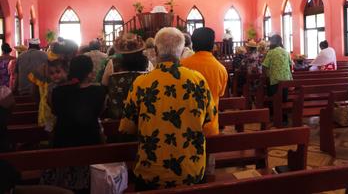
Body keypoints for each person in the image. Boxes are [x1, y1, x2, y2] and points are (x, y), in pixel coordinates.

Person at [119, 27, 216, 190]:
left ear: (156, 50)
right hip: (190, 171)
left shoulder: (141, 83)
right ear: (182, 50)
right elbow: (210, 125)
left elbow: (127, 128)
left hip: (150, 172)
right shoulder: (198, 80)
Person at [43, 55, 106, 191]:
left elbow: (54, 111)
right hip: (90, 141)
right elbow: (100, 112)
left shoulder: (57, 92)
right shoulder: (100, 91)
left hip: (64, 142)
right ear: (90, 72)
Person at [181, 27, 228, 135]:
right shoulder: (221, 69)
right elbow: (220, 94)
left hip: (186, 128)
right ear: (213, 45)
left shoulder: (182, 64)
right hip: (210, 128)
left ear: (193, 43)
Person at [29, 54, 68, 132]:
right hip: (49, 114)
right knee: (50, 132)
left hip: (57, 115)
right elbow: (50, 103)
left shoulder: (68, 85)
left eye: (58, 72)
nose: (55, 75)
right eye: (52, 74)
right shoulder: (50, 86)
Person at [262, 34, 292, 106]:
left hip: (275, 81)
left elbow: (264, 66)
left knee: (273, 101)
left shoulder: (271, 52)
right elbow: (290, 66)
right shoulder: (286, 52)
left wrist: (266, 77)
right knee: (284, 101)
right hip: (286, 80)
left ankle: (272, 114)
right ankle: (284, 116)